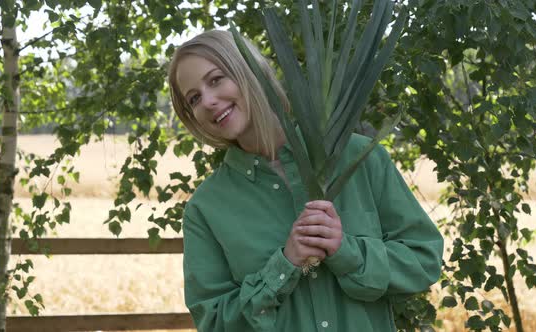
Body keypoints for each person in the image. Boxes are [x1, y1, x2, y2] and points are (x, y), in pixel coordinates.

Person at [168, 29, 444, 332]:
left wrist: (347, 252)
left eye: (216, 79)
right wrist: (284, 266)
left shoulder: (358, 157)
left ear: (249, 70)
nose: (207, 101)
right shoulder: (206, 209)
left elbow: (424, 259)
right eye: (194, 98)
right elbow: (215, 322)